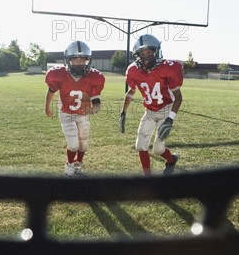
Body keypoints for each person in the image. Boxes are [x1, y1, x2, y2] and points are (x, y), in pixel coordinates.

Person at [120, 34, 183, 176]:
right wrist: (123, 112)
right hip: (149, 111)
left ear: (157, 52)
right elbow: (131, 92)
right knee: (140, 145)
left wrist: (170, 119)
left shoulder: (169, 68)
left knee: (158, 150)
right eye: (142, 54)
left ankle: (171, 159)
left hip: (166, 109)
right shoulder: (133, 71)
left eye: (149, 52)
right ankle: (147, 176)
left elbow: (178, 98)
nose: (146, 56)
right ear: (137, 56)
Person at [45, 40, 106, 176]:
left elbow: (96, 100)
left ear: (88, 61)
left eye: (82, 59)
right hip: (66, 113)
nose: (79, 63)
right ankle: (69, 164)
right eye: (75, 60)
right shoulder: (59, 75)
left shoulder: (94, 77)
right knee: (73, 144)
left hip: (82, 114)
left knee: (83, 144)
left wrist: (96, 107)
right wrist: (47, 106)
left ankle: (78, 163)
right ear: (68, 60)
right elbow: (51, 91)